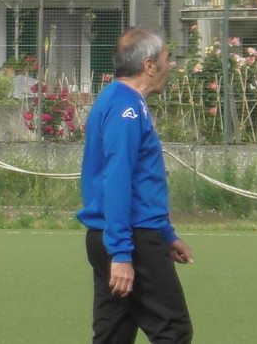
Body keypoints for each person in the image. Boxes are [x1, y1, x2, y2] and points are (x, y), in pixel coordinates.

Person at [76, 26, 194, 343]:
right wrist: (122, 254)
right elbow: (117, 180)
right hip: (131, 239)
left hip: (120, 235)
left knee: (113, 334)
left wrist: (167, 234)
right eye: (167, 59)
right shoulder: (124, 107)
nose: (171, 66)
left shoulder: (121, 100)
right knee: (173, 330)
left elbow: (138, 180)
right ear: (149, 65)